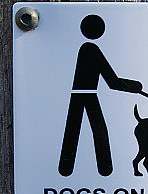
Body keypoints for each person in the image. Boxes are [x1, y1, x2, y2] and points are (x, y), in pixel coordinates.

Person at [58, 14, 142, 176]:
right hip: (88, 95)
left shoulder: (85, 48)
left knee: (73, 130)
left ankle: (66, 170)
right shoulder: (91, 49)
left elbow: (112, 81)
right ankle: (104, 170)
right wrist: (135, 86)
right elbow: (112, 81)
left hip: (78, 95)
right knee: (98, 130)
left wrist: (133, 87)